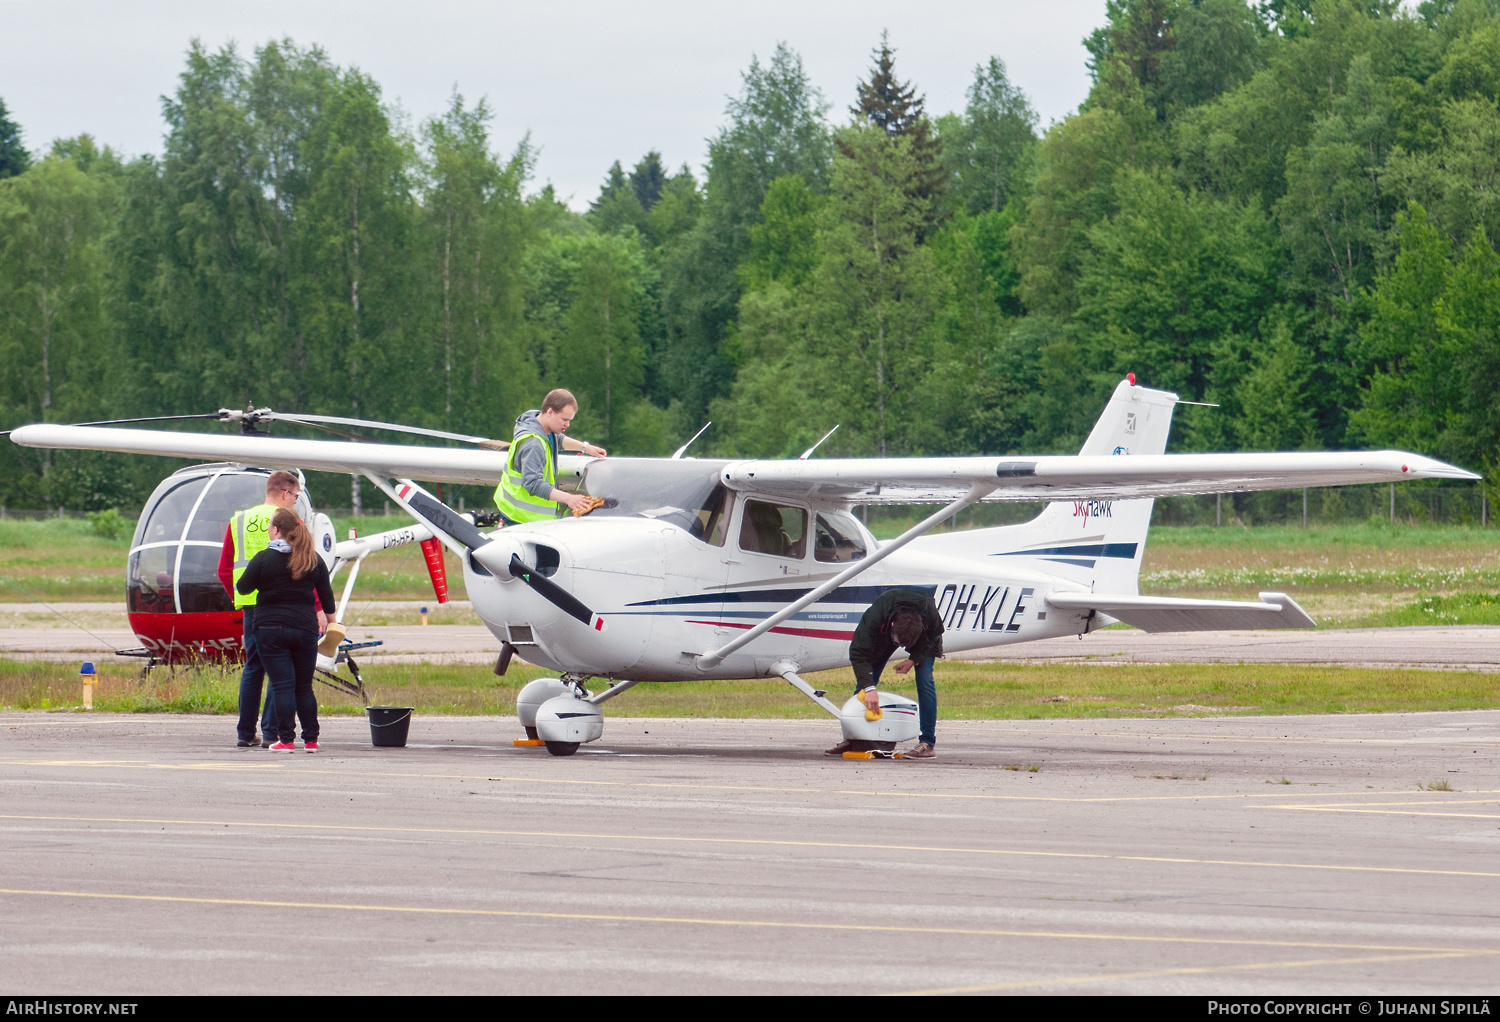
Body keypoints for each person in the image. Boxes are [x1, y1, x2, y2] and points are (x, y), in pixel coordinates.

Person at [217, 470, 325, 748]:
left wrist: (240, 598)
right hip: (285, 607)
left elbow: (224, 569)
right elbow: (304, 568)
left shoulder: (238, 520)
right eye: (295, 497)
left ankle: (244, 733)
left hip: (252, 606)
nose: (295, 502)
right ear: (286, 494)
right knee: (284, 673)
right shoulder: (290, 522)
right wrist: (316, 608)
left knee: (253, 668)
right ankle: (271, 733)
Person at [236, 509, 337, 753]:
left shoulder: (263, 558)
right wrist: (333, 625)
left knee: (282, 685)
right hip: (304, 629)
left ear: (275, 530)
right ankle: (311, 740)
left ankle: (287, 740)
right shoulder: (313, 559)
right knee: (304, 686)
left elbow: (243, 588)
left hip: (270, 629)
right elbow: (327, 597)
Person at [826, 588, 945, 760]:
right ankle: (854, 739)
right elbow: (858, 653)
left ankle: (927, 743)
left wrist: (914, 658)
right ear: (892, 626)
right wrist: (869, 688)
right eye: (899, 643)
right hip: (886, 632)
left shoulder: (929, 614)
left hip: (926, 640)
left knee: (924, 680)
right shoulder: (876, 615)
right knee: (866, 681)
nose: (901, 648)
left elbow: (935, 633)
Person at [493, 388, 608, 523]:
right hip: (520, 517)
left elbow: (557, 439)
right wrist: (569, 499)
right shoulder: (533, 444)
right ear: (550, 412)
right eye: (564, 419)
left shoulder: (540, 425)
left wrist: (586, 448)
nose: (568, 424)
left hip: (518, 511)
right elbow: (533, 484)